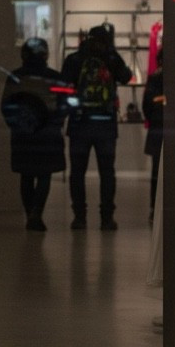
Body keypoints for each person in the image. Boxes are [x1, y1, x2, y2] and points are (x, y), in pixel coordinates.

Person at [61, 24, 132, 231]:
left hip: (79, 123)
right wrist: (112, 55)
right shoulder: (110, 58)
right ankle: (107, 218)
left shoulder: (75, 58)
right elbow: (127, 77)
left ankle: (79, 217)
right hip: (105, 124)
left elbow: (63, 85)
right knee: (107, 173)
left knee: (77, 172)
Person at [0, 37, 66, 231]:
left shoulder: (15, 76)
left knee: (26, 175)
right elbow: (63, 105)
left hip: (23, 132)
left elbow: (6, 106)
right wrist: (55, 123)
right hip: (48, 134)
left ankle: (31, 214)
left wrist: (17, 125)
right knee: (44, 175)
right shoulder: (54, 76)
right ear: (45, 55)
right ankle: (36, 213)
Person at [142, 47, 164, 225]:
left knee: (157, 171)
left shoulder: (154, 77)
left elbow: (146, 105)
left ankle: (153, 210)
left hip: (158, 126)